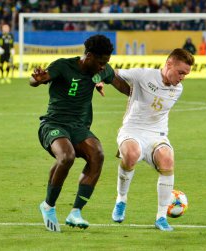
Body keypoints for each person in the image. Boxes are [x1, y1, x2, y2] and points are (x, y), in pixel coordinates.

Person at [29, 34, 130, 232]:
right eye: (101, 62)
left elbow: (124, 88)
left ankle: (76, 212)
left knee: (97, 155)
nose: (103, 67)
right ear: (89, 56)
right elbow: (38, 79)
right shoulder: (63, 66)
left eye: (106, 63)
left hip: (79, 127)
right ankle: (48, 206)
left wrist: (150, 91)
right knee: (67, 156)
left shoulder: (102, 71)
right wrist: (37, 80)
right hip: (53, 124)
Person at [111, 48, 195, 231]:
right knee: (132, 154)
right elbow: (113, 73)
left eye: (186, 74)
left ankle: (161, 218)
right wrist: (100, 81)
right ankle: (121, 199)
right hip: (132, 130)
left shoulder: (178, 89)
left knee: (167, 159)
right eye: (181, 72)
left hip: (157, 134)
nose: (182, 78)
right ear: (169, 64)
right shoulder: (143, 75)